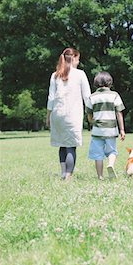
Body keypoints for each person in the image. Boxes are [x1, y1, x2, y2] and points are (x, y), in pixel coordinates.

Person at [46, 47, 91, 180]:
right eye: (78, 59)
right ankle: (68, 175)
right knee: (71, 146)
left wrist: (48, 116)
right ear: (74, 58)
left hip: (57, 115)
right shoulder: (80, 74)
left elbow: (51, 98)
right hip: (73, 115)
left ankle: (63, 172)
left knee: (62, 144)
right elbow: (87, 97)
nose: (78, 62)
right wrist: (90, 114)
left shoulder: (55, 75)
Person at [86, 71, 125, 180]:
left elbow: (89, 114)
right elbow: (119, 113)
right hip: (111, 130)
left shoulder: (92, 97)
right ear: (110, 83)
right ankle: (111, 164)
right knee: (112, 151)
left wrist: (92, 121)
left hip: (97, 130)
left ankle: (100, 176)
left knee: (98, 155)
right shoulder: (114, 95)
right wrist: (122, 129)